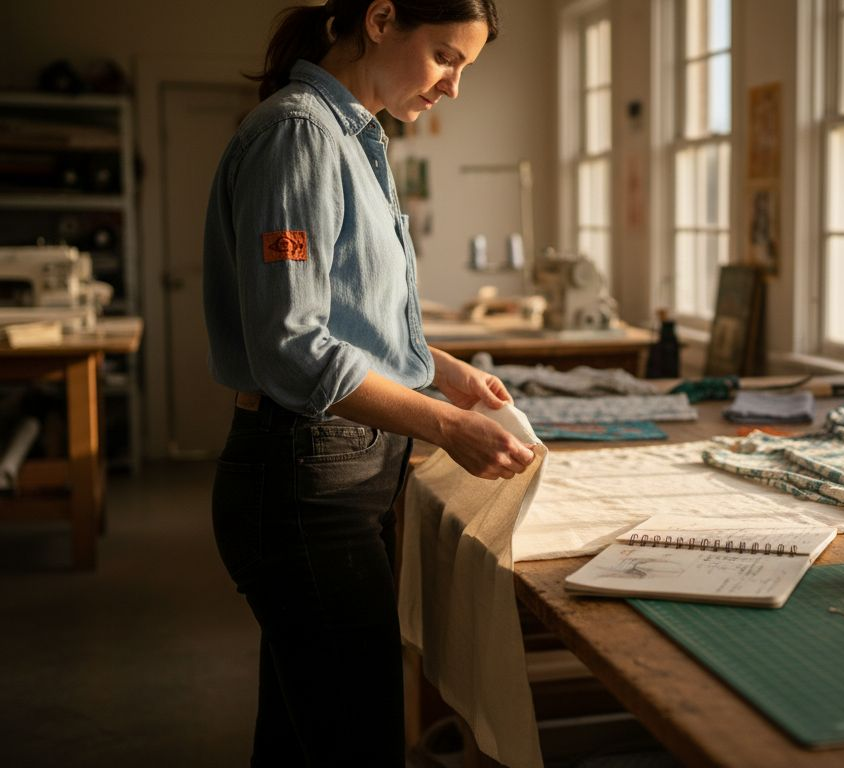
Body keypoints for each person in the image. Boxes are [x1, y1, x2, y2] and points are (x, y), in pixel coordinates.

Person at [201, 1, 533, 764]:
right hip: (304, 481)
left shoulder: (357, 137)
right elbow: (292, 347)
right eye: (445, 57)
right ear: (381, 19)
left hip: (339, 473)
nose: (453, 86)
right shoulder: (300, 135)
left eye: (464, 68)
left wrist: (440, 370)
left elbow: (349, 316)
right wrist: (444, 423)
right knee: (357, 739)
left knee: (302, 737)